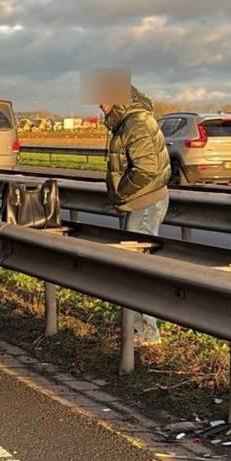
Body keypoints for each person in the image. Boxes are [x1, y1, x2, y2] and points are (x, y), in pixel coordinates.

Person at [101, 86, 171, 343]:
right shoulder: (128, 120)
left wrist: (122, 192)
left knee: (136, 270)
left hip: (142, 203)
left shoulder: (135, 123)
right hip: (140, 202)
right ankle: (138, 328)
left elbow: (146, 169)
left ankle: (146, 332)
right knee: (134, 268)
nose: (100, 105)